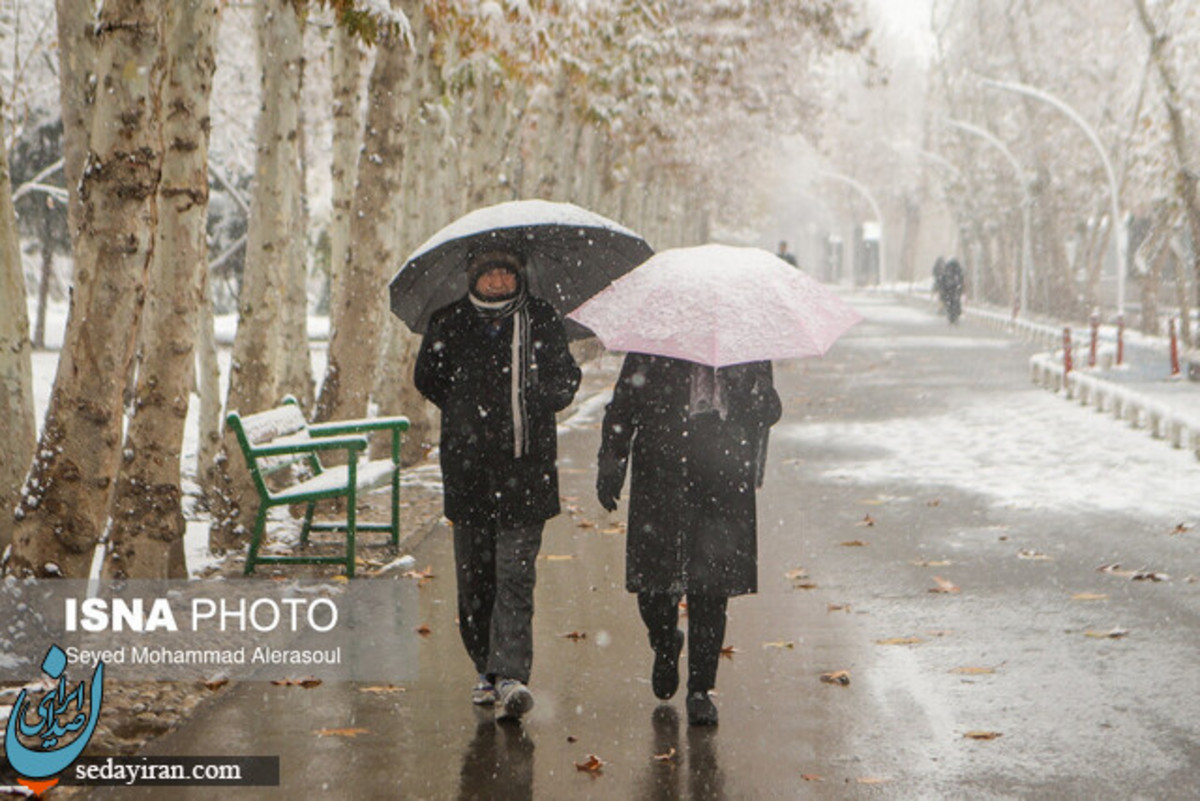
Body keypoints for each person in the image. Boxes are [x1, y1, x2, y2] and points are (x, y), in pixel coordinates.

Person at [414, 249, 581, 723]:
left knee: (515, 575)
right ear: (475, 276)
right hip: (469, 472)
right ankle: (484, 668)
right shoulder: (448, 322)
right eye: (491, 272)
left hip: (526, 470)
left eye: (508, 270)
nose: (500, 279)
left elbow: (567, 378)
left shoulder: (541, 318)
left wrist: (535, 394)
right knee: (474, 579)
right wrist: (468, 409)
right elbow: (427, 378)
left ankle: (510, 675)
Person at [596, 354, 781, 726]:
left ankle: (700, 688)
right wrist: (612, 462)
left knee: (711, 587)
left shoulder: (743, 348)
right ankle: (665, 641)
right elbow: (623, 406)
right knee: (653, 586)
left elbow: (767, 411)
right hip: (660, 469)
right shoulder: (654, 343)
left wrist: (760, 398)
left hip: (722, 471)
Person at [939, 257, 965, 323]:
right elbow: (961, 279)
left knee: (949, 303)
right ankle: (956, 313)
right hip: (955, 289)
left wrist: (942, 290)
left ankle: (951, 314)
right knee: (956, 301)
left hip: (948, 290)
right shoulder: (958, 270)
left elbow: (942, 281)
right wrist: (960, 289)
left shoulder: (946, 270)